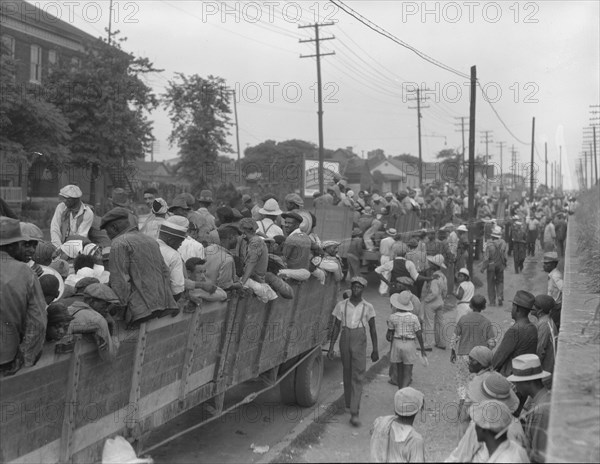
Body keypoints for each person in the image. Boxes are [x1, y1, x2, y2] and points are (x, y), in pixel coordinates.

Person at [100, 207, 178, 326]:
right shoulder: (151, 240)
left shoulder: (119, 243)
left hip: (140, 311)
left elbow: (120, 282)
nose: (108, 235)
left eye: (107, 231)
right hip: (161, 306)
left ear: (114, 228)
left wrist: (119, 312)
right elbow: (165, 272)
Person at [327, 276, 379, 427]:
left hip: (359, 337)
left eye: (359, 287)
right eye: (354, 287)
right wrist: (331, 347)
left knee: (358, 374)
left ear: (363, 289)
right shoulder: (341, 305)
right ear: (351, 288)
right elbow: (336, 326)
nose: (356, 289)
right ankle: (349, 402)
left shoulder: (368, 307)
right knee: (347, 371)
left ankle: (354, 413)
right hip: (345, 336)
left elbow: (373, 329)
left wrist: (375, 349)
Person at [0, 217, 47, 375]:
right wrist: (24, 357)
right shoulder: (25, 273)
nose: (32, 251)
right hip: (6, 360)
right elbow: (38, 323)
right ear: (14, 244)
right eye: (26, 244)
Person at [450, 294, 496, 426]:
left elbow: (455, 338)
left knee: (462, 384)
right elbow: (492, 342)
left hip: (463, 355)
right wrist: (487, 350)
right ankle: (474, 415)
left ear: (470, 305)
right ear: (484, 307)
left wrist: (452, 352)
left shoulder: (463, 319)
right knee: (477, 384)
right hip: (479, 359)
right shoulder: (486, 322)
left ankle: (461, 412)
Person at [508, 354, 552, 463]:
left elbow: (539, 456)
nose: (515, 386)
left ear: (528, 382)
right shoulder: (542, 398)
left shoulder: (541, 410)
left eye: (517, 382)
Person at [370, 387, 426, 463]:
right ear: (416, 412)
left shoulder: (381, 422)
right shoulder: (415, 440)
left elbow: (372, 433)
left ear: (395, 409)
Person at [492, 290, 538, 377]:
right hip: (526, 373)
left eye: (513, 306)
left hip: (512, 376)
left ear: (516, 308)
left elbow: (498, 358)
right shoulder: (533, 328)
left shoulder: (514, 331)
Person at [387, 292, 426, 388]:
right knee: (407, 372)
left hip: (397, 343)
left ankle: (400, 390)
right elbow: (419, 334)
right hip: (409, 344)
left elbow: (389, 335)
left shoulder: (392, 317)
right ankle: (404, 391)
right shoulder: (414, 318)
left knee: (399, 370)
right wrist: (422, 348)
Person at [157, 217, 188, 300]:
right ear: (170, 240)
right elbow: (177, 289)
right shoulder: (173, 255)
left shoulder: (146, 246)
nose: (180, 245)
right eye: (180, 241)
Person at [421, 255, 448, 350]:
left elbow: (434, 292)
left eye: (430, 263)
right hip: (440, 301)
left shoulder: (433, 277)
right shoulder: (443, 276)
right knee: (439, 323)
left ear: (433, 265)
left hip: (431, 302)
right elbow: (445, 290)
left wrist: (426, 300)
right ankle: (441, 343)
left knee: (429, 323)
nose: (429, 264)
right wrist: (443, 299)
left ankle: (427, 344)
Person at [204, 225, 243, 291]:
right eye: (236, 238)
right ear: (231, 238)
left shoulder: (208, 249)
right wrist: (238, 285)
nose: (237, 241)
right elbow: (225, 286)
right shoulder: (227, 259)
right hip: (216, 295)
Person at [532, 295, 557, 382]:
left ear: (540, 310)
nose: (531, 306)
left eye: (534, 305)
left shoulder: (544, 325)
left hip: (545, 373)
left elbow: (539, 350)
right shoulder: (546, 321)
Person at [480, 226, 507, 306]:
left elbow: (486, 258)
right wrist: (504, 263)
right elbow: (505, 256)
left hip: (491, 265)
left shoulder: (488, 244)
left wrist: (483, 268)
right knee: (500, 281)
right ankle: (499, 296)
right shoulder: (503, 243)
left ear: (492, 235)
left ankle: (492, 302)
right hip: (500, 265)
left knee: (491, 283)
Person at [542, 252, 562, 332]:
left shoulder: (555, 276)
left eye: (547, 264)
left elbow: (564, 288)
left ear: (554, 264)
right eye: (544, 263)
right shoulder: (552, 275)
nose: (544, 266)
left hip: (556, 308)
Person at [378, 228, 397, 296]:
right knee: (387, 274)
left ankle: (382, 289)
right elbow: (393, 252)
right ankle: (383, 291)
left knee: (382, 272)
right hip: (389, 258)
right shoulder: (393, 242)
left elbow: (380, 250)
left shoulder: (383, 240)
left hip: (382, 257)